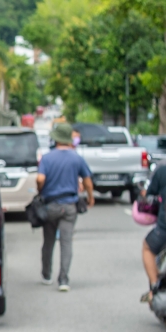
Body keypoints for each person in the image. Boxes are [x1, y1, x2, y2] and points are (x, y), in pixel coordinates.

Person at [36, 122, 95, 292]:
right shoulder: (77, 158)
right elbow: (88, 182)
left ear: (55, 140)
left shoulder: (47, 158)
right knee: (66, 243)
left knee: (48, 242)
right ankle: (63, 279)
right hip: (69, 206)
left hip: (50, 206)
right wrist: (90, 198)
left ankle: (46, 274)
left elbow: (40, 179)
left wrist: (41, 190)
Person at [139, 168, 166, 302]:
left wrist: (144, 192)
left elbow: (150, 193)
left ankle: (155, 286)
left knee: (147, 247)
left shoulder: (162, 171)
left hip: (164, 227)